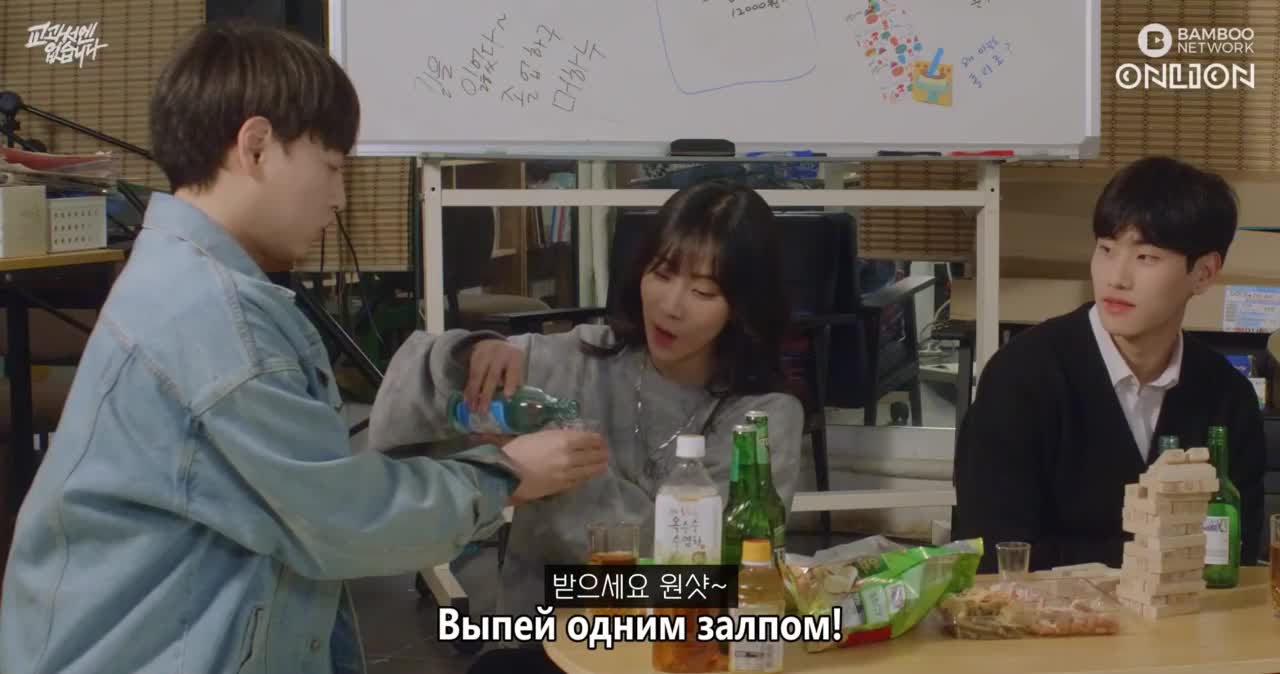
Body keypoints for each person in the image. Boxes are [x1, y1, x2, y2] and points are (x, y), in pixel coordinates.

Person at [0, 21, 607, 674]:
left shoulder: (188, 278)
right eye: (332, 168)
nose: (338, 199)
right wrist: (506, 477)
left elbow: (301, 489)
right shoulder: (215, 316)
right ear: (257, 147)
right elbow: (340, 519)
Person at [368, 180, 805, 669]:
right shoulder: (582, 357)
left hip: (685, 653)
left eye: (703, 291)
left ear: (743, 307)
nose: (671, 305)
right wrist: (467, 354)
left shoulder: (762, 418)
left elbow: (705, 578)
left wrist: (562, 471)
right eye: (661, 273)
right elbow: (400, 410)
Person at [952, 156, 1266, 574]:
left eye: (1146, 257)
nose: (1116, 278)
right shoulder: (1021, 378)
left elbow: (1233, 559)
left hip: (1184, 615)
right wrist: (1153, 556)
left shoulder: (1228, 396)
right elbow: (996, 553)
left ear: (1204, 273)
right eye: (1106, 249)